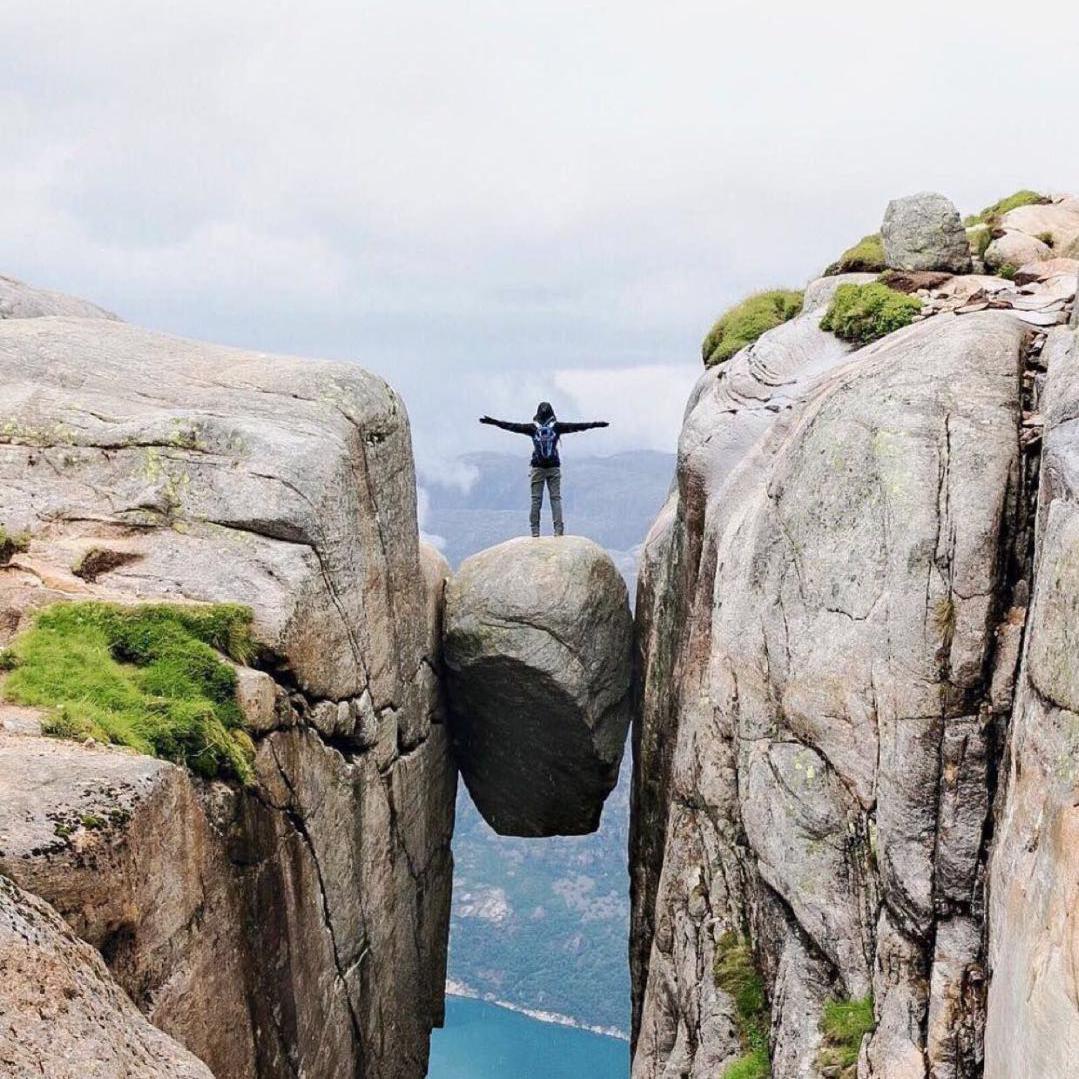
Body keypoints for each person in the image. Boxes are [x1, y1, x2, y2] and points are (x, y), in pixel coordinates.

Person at [479, 402, 609, 537]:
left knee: (536, 499)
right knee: (555, 499)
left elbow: (511, 426)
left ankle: (535, 531)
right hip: (554, 467)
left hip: (537, 468)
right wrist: (597, 424)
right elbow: (579, 427)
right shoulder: (557, 427)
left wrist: (492, 422)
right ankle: (558, 530)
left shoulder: (532, 428)